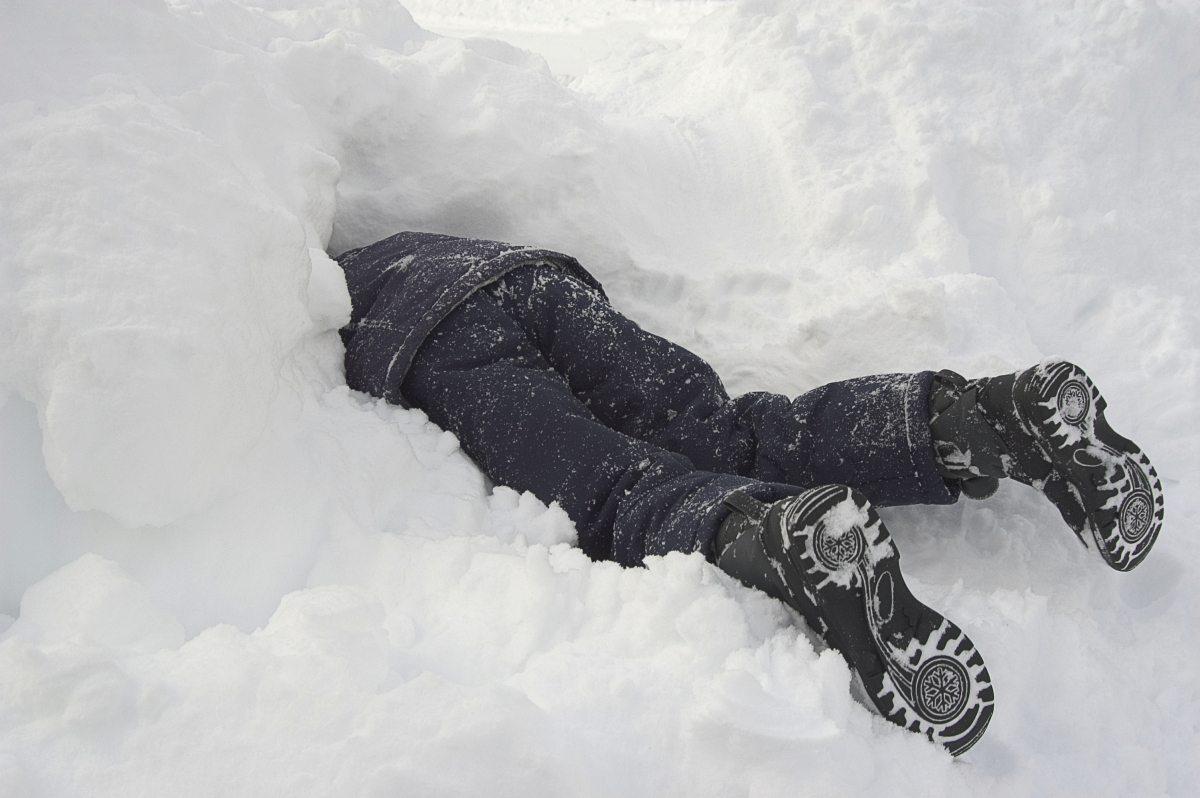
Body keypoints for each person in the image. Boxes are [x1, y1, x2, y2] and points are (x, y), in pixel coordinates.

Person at [335, 230, 1164, 756]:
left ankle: (775, 533)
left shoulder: (311, 291)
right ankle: (984, 417)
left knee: (614, 492)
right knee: (735, 431)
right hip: (530, 278)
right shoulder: (395, 234)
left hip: (431, 338)